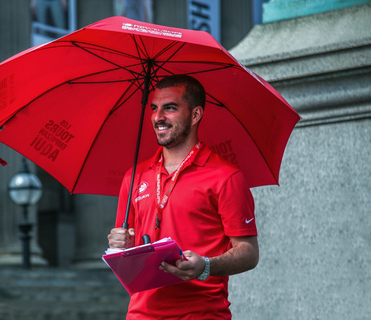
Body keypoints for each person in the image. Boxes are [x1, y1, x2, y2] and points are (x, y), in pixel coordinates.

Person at [107, 74, 259, 319]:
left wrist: (206, 266)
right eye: (154, 108)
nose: (158, 117)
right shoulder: (133, 176)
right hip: (140, 314)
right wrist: (119, 246)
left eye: (170, 108)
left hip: (201, 313)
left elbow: (249, 253)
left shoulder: (226, 177)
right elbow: (129, 251)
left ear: (196, 115)